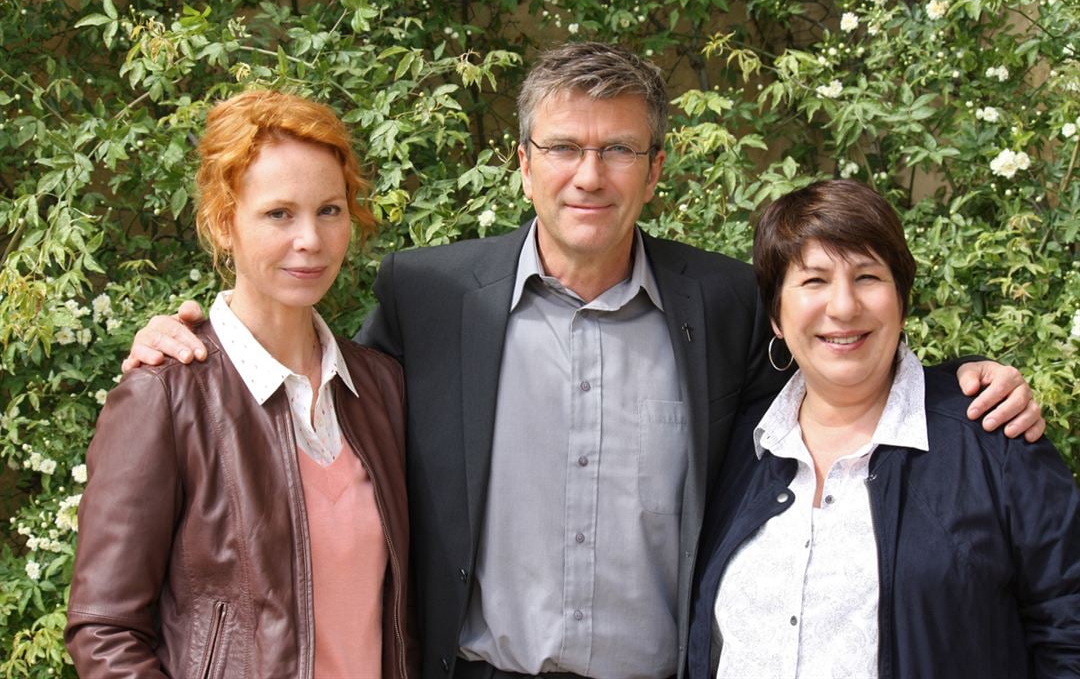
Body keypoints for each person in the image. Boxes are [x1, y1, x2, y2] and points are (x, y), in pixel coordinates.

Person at [121, 44, 1044, 679]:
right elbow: (316, 391)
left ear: (656, 167)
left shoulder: (721, 303)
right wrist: (190, 343)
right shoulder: (431, 297)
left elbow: (836, 361)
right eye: (562, 147)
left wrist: (960, 379)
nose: (588, 175)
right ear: (523, 162)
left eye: (616, 149)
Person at [66, 90, 413, 679]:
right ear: (225, 224)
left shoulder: (379, 387)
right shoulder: (166, 397)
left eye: (329, 210)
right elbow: (104, 631)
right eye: (279, 214)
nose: (310, 239)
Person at [688, 180, 1080, 678]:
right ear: (776, 316)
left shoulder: (991, 438)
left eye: (868, 277)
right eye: (813, 281)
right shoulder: (739, 449)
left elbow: (1068, 625)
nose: (844, 307)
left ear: (902, 299)